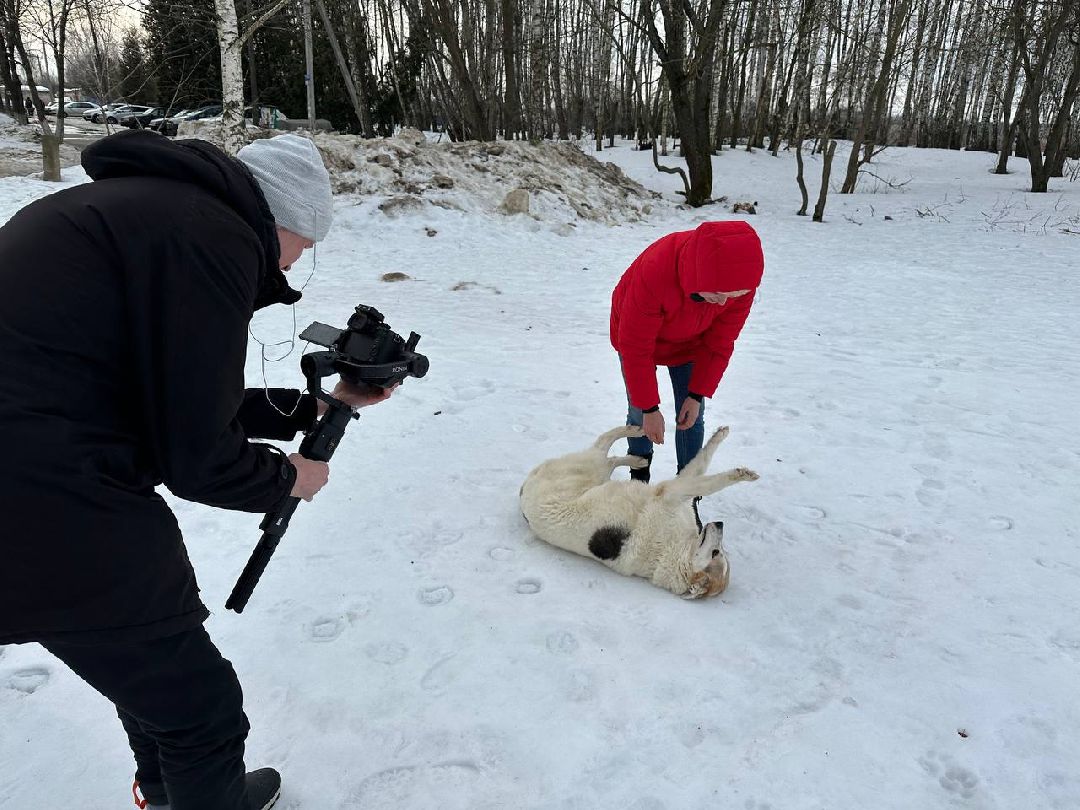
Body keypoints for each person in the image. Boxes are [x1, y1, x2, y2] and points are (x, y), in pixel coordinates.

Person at [0, 130, 390, 809]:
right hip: (44, 490)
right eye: (304, 246)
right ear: (282, 219)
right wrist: (287, 478)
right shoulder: (211, 236)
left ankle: (168, 792)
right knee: (201, 709)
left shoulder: (146, 212)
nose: (295, 265)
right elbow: (197, 457)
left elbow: (163, 392)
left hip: (36, 467)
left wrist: (309, 407)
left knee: (151, 668)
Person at [609, 220, 765, 495]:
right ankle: (638, 481)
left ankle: (686, 492)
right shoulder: (656, 271)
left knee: (693, 414)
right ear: (702, 276)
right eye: (718, 294)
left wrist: (696, 393)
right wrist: (649, 409)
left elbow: (720, 342)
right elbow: (635, 348)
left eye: (732, 297)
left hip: (691, 343)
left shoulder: (737, 288)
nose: (723, 303)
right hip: (637, 338)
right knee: (639, 410)